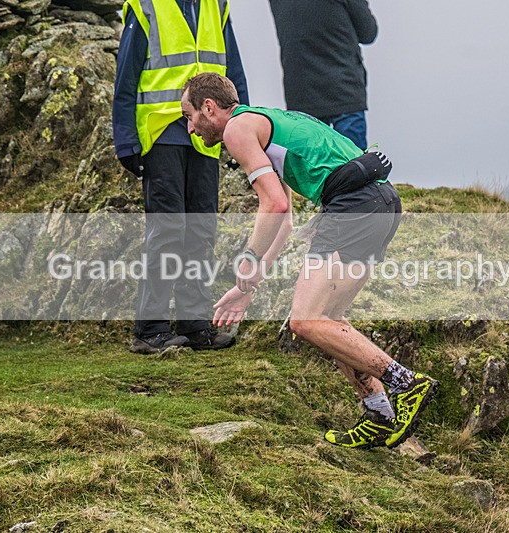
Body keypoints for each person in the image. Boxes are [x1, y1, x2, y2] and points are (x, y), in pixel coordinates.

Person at [180, 72, 439, 449]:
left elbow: (274, 205)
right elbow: (284, 220)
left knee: (306, 320)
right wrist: (248, 286)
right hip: (381, 201)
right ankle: (379, 414)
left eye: (189, 116)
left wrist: (249, 257)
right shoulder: (265, 123)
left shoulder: (237, 129)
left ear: (208, 107)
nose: (190, 128)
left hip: (353, 205)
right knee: (327, 318)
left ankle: (406, 383)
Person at [113, 0, 249, 354]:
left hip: (208, 136)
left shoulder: (216, 6)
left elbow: (232, 73)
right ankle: (150, 330)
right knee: (168, 229)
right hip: (162, 133)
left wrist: (243, 125)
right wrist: (125, 139)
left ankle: (195, 326)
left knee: (201, 229)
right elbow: (125, 76)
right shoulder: (145, 6)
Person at [268, 0, 378, 151]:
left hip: (301, 93)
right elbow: (368, 32)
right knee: (353, 161)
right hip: (344, 89)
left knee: (311, 162)